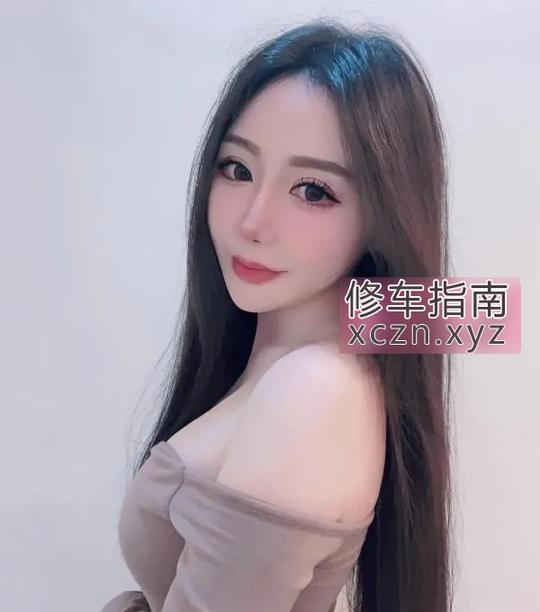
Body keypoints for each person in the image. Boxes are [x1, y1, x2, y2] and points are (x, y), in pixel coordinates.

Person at [100, 17, 454, 612]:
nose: (253, 222)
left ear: (383, 215)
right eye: (237, 169)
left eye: (313, 191)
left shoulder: (312, 391)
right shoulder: (292, 352)